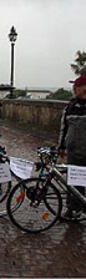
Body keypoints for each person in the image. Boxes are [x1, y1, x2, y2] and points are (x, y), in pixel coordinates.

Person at [57, 75, 86, 218]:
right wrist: (61, 146)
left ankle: (82, 205)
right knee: (74, 180)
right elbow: (64, 127)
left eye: (77, 86)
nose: (74, 89)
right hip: (74, 150)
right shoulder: (70, 106)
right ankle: (72, 208)